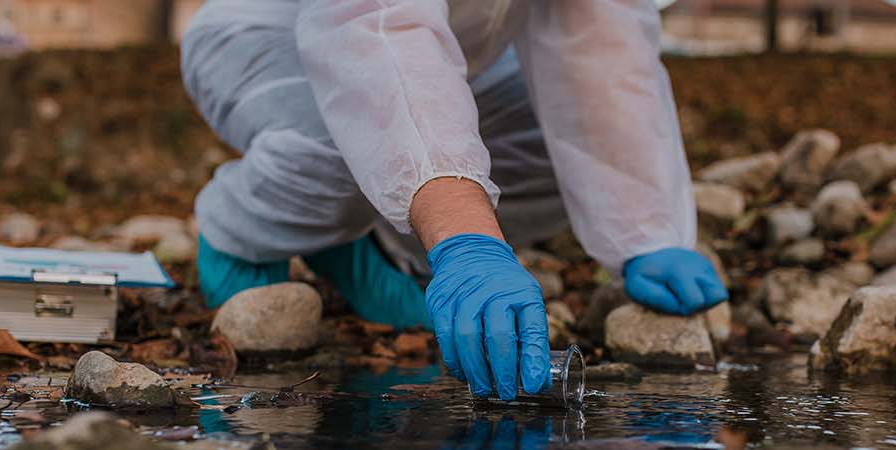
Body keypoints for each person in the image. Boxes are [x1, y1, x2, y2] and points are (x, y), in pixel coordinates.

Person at [181, 0, 728, 401]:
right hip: (274, 37)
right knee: (355, 138)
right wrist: (466, 236)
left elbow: (596, 37)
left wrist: (644, 230)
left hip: (456, 56)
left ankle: (371, 242)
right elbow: (377, 34)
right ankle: (240, 235)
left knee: (555, 140)